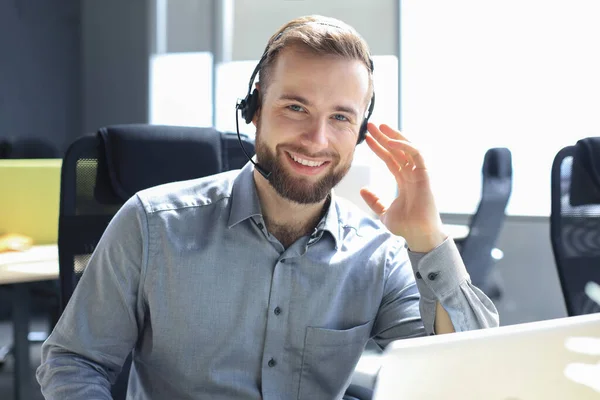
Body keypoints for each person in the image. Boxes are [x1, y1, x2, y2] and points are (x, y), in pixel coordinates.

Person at [37, 15, 498, 399]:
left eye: (340, 117)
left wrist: (430, 240)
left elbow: (465, 380)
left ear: (359, 133)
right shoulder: (152, 225)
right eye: (295, 108)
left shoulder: (378, 254)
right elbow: (75, 361)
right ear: (254, 108)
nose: (317, 140)